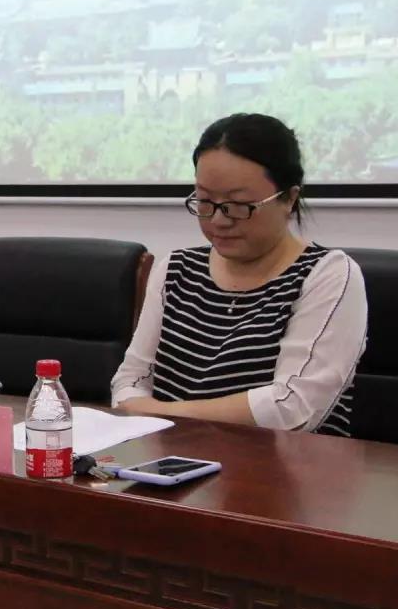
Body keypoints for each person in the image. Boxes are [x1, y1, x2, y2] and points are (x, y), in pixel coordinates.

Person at [111, 113, 366, 436]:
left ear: (289, 198)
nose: (218, 220)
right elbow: (131, 379)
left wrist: (162, 414)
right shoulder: (177, 269)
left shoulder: (327, 274)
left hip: (281, 465)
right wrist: (138, 407)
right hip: (172, 459)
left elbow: (293, 407)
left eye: (239, 205)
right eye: (205, 202)